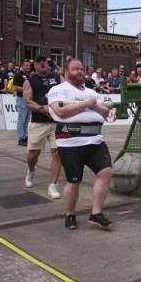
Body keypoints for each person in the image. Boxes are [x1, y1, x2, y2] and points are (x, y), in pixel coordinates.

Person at [48, 58, 114, 230]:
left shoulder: (92, 92)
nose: (80, 71)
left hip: (95, 141)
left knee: (105, 172)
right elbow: (60, 112)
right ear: (66, 72)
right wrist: (86, 104)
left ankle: (96, 214)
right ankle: (70, 214)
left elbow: (106, 112)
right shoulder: (58, 90)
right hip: (70, 142)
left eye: (81, 69)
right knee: (74, 180)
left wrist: (93, 106)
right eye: (75, 69)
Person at [22, 56, 62, 198]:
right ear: (35, 66)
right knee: (33, 154)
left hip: (56, 122)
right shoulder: (30, 81)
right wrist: (42, 108)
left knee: (58, 153)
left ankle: (53, 186)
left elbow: (65, 93)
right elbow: (27, 101)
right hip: (39, 122)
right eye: (39, 62)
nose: (43, 64)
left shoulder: (57, 78)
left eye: (44, 61)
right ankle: (31, 170)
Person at [13, 60, 32, 146]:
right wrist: (27, 89)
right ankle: (20, 138)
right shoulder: (18, 75)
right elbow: (15, 87)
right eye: (26, 65)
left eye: (29, 65)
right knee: (21, 119)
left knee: (27, 119)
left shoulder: (28, 75)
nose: (28, 67)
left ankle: (25, 136)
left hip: (28, 99)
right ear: (22, 66)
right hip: (21, 99)